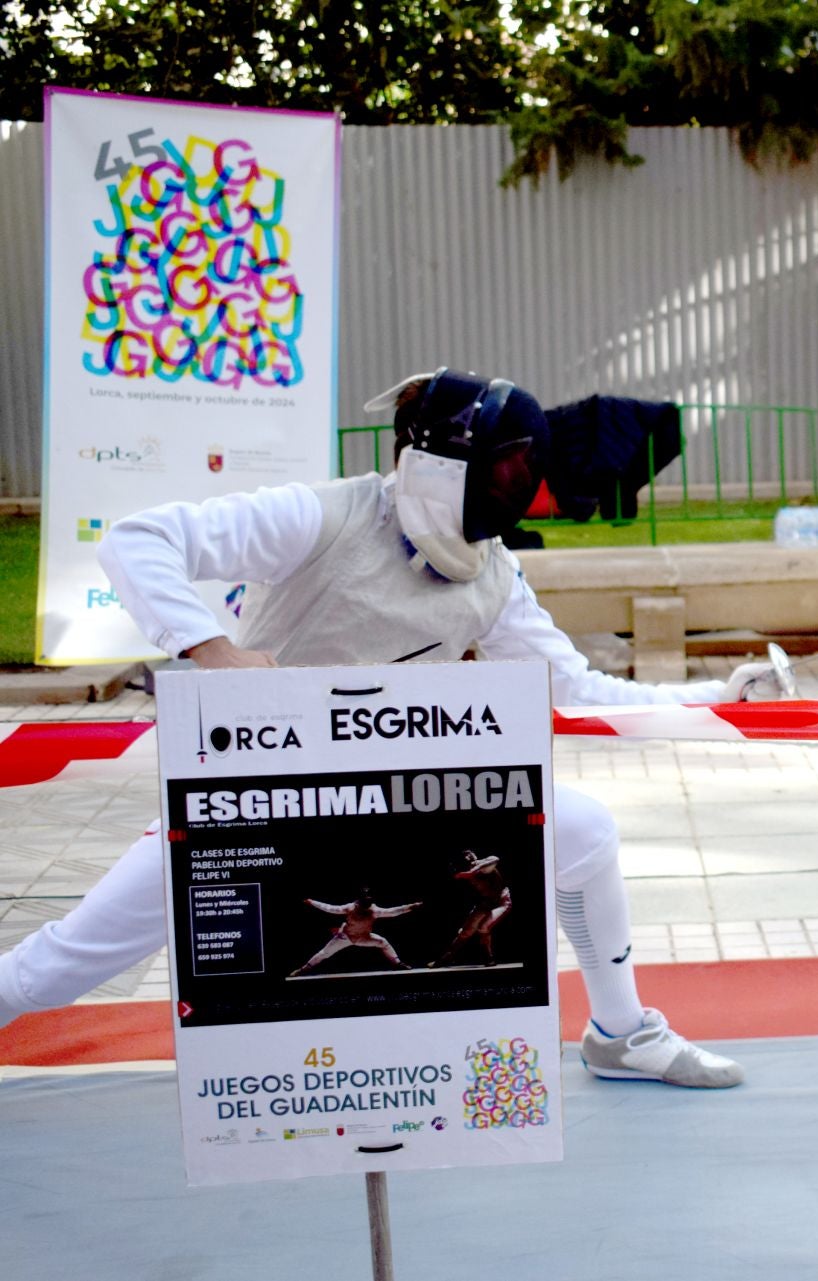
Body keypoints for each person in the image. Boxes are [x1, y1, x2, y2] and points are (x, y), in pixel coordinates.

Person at [0, 369, 774, 1088]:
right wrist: (213, 648)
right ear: (436, 465)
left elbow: (573, 687)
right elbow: (138, 538)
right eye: (500, 470)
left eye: (521, 471)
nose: (512, 490)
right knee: (66, 963)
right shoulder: (324, 517)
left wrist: (717, 695)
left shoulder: (494, 573)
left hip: (396, 796)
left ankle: (620, 1031)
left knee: (586, 831)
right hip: (253, 800)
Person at [290, 890, 423, 976]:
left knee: (383, 942)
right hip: (345, 937)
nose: (367, 905)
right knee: (324, 953)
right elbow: (330, 908)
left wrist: (411, 906)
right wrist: (312, 902)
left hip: (364, 937)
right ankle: (303, 970)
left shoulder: (374, 910)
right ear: (360, 901)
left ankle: (397, 964)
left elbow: (393, 911)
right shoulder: (350, 908)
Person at [432, 851, 512, 968]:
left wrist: (473, 870)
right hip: (486, 903)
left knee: (483, 927)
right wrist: (468, 873)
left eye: (470, 854)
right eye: (466, 856)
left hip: (501, 902)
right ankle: (445, 958)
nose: (469, 857)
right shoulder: (466, 871)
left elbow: (495, 859)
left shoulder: (484, 865)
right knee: (466, 931)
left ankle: (489, 958)